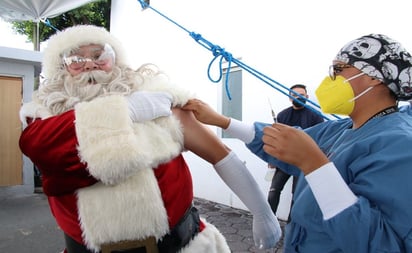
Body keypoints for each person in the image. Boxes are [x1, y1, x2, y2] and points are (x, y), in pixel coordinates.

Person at [18, 25, 281, 253]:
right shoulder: (43, 118)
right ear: (60, 68)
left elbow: (220, 155)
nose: (89, 64)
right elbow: (43, 149)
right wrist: (125, 111)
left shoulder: (159, 102)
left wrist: (260, 210)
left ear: (116, 60)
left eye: (99, 55)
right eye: (75, 59)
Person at [183, 34, 412, 252]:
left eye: (338, 70)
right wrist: (221, 120)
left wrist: (315, 165)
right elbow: (285, 142)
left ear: (374, 76)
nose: (330, 79)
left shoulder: (400, 146)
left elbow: (382, 243)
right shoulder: (340, 129)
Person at [267, 84, 323, 220]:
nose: (297, 97)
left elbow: (320, 141)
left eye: (301, 95)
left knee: (296, 196)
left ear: (307, 97)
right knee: (273, 192)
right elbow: (276, 138)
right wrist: (271, 159)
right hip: (284, 160)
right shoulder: (282, 115)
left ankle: (291, 226)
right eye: (294, 95)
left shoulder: (316, 116)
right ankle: (269, 223)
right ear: (289, 97)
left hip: (304, 162)